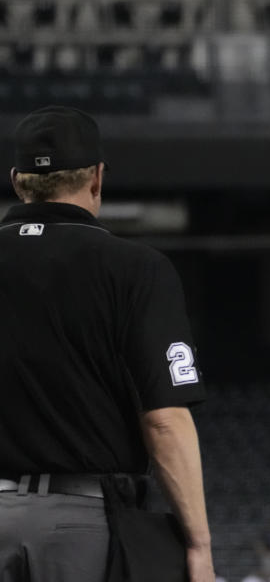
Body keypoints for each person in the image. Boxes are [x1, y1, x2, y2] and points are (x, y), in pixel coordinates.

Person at [0, 106, 214, 581]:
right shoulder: (135, 269)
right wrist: (198, 542)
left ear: (18, 182)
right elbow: (164, 421)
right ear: (97, 179)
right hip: (77, 524)